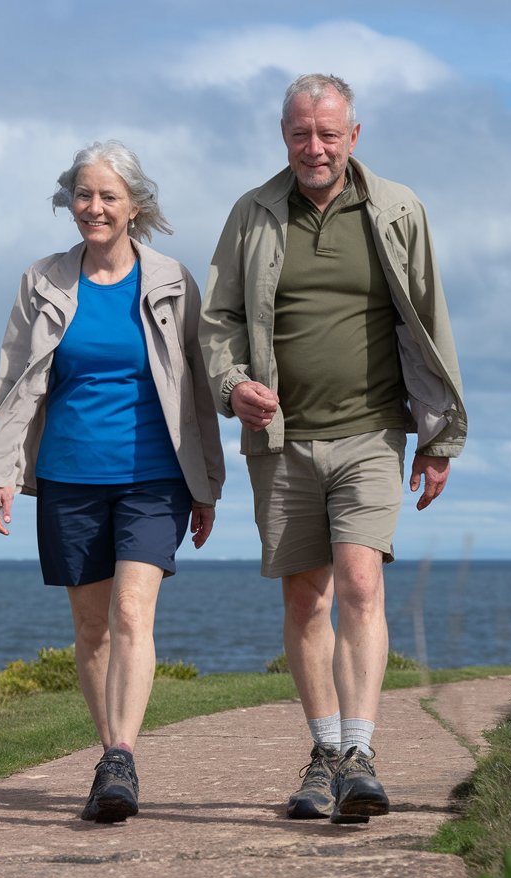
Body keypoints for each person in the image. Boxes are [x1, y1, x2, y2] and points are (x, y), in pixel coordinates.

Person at [200, 74, 466, 824]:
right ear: (283, 135)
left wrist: (440, 434)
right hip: (281, 441)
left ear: (355, 135)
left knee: (360, 583)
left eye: (327, 133)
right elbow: (217, 322)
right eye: (298, 134)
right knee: (304, 596)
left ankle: (361, 754)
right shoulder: (252, 214)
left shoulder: (399, 209)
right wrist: (231, 388)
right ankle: (323, 755)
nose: (313, 147)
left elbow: (432, 321)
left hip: (374, 431)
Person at [0, 140, 225, 824]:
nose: (94, 207)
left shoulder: (172, 280)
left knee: (130, 613)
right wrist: (1, 473)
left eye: (108, 196)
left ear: (135, 205)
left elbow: (198, 388)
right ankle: (109, 753)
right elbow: (15, 383)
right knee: (90, 629)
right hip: (67, 474)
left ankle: (119, 757)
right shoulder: (43, 281)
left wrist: (207, 484)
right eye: (83, 195)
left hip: (154, 474)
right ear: (70, 201)